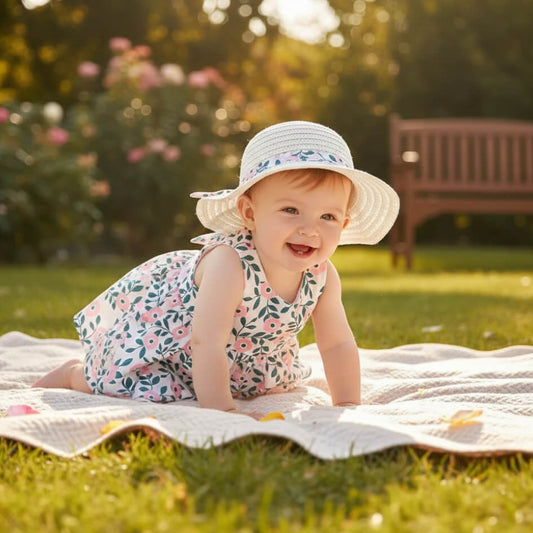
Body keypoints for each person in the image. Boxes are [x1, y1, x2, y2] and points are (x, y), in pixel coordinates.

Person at [33, 121, 399, 419]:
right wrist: (220, 411)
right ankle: (73, 373)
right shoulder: (230, 264)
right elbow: (206, 341)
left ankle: (222, 387)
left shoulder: (322, 275)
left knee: (261, 386)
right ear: (250, 214)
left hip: (241, 361)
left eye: (328, 216)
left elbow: (335, 343)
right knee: (128, 386)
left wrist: (348, 404)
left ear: (345, 221)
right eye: (291, 210)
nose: (309, 229)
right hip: (175, 349)